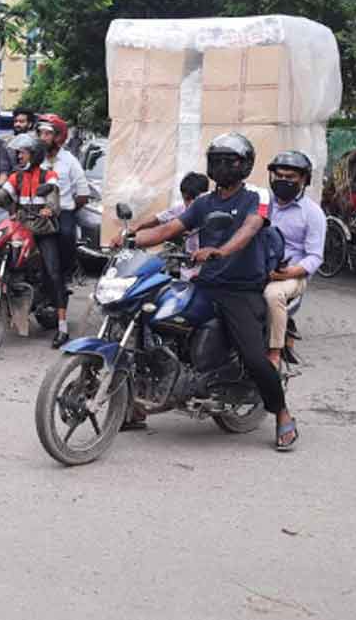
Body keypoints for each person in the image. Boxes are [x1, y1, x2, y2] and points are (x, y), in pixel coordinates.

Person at [132, 133, 298, 451]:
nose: (222, 166)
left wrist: (219, 251)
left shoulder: (257, 196)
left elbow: (250, 229)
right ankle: (135, 405)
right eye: (217, 160)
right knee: (150, 320)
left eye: (229, 160)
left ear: (245, 165)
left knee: (253, 356)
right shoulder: (205, 202)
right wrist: (130, 237)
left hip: (242, 290)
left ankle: (281, 412)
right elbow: (170, 229)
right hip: (205, 285)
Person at [0, 134, 69, 347]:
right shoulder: (16, 177)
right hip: (21, 226)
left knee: (54, 274)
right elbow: (0, 196)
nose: (18, 156)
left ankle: (63, 328)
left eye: (23, 152)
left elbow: (54, 197)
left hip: (43, 229)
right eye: (18, 152)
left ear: (34, 155)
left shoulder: (48, 175)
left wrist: (50, 209)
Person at [262, 151, 325, 370]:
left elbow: (315, 256)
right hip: (258, 267)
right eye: (279, 176)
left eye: (290, 177)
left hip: (291, 274)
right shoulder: (263, 204)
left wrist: (287, 273)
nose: (284, 181)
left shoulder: (313, 213)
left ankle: (275, 351)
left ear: (303, 180)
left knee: (273, 294)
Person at [116, 172, 210, 282]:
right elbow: (158, 222)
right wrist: (133, 230)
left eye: (195, 199)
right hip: (187, 272)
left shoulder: (215, 212)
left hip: (209, 274)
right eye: (187, 199)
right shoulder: (181, 210)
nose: (190, 204)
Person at [37, 114, 88, 289]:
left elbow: (82, 194)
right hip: (36, 211)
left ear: (58, 137)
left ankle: (67, 272)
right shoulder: (36, 159)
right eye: (40, 133)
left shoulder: (70, 162)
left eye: (47, 134)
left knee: (66, 234)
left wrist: (67, 208)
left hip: (62, 212)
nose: (42, 138)